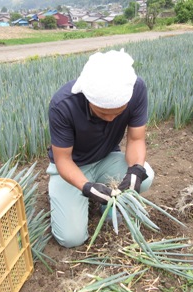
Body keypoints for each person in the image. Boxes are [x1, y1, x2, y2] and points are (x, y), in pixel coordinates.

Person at [46, 49, 154, 248]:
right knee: (71, 239)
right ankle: (79, 191)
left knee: (145, 175)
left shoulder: (136, 89)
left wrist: (135, 169)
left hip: (106, 158)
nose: (111, 119)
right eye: (103, 113)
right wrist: (87, 187)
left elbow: (136, 138)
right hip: (72, 167)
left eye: (118, 113)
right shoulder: (63, 105)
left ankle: (107, 199)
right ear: (88, 99)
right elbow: (63, 159)